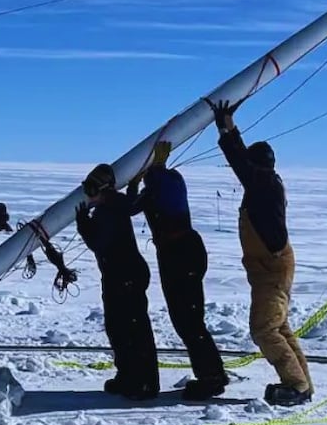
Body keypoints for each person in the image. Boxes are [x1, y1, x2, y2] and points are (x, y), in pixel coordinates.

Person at [207, 97, 313, 406]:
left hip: (272, 269)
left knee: (264, 329)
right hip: (271, 267)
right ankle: (302, 385)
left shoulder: (263, 184)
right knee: (278, 327)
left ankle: (296, 386)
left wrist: (227, 128)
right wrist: (227, 128)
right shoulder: (265, 183)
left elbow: (239, 162)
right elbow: (243, 164)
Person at [125, 140, 228, 400]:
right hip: (188, 251)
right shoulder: (173, 182)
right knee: (189, 319)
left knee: (188, 321)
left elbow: (129, 208)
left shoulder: (158, 188)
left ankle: (212, 377)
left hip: (178, 256)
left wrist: (135, 183)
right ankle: (211, 373)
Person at [75, 162, 160, 400]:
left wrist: (84, 224)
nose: (89, 195)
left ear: (104, 189)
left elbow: (98, 243)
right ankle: (128, 376)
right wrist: (133, 188)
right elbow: (131, 204)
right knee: (118, 328)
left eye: (92, 189)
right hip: (119, 276)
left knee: (133, 330)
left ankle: (143, 383)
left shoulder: (109, 209)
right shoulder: (115, 205)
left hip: (125, 276)